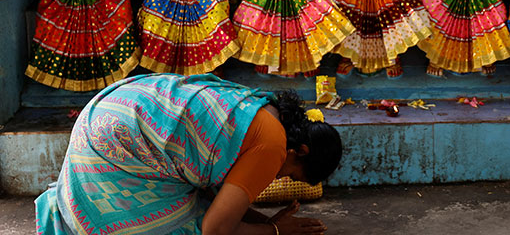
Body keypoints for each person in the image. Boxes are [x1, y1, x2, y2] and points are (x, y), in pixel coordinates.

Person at [35, 73, 342, 234]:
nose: (277, 176)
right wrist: (274, 231)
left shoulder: (261, 109)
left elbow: (216, 199)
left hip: (99, 123)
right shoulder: (274, 145)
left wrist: (262, 221)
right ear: (299, 151)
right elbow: (215, 229)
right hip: (114, 154)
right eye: (289, 172)